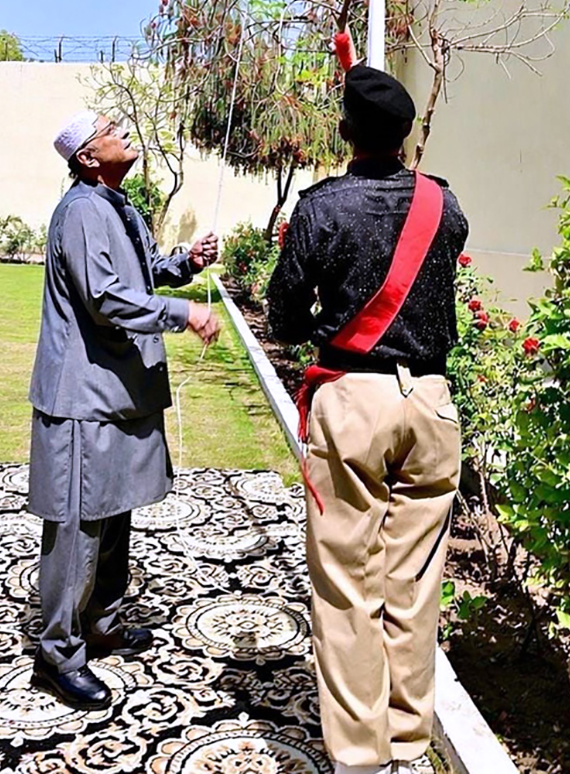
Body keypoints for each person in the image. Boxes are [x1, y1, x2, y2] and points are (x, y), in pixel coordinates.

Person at [267, 65, 468, 774]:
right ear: (407, 134)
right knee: (413, 583)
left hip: (353, 400)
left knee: (348, 583)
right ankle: (410, 743)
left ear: (346, 130)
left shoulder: (321, 208)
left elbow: (285, 319)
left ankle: (361, 757)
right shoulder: (444, 206)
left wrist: (330, 318)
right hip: (432, 403)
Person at [28, 110, 220, 711]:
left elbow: (138, 272)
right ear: (87, 157)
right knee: (78, 529)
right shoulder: (83, 210)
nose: (125, 133)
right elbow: (107, 296)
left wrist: (185, 264)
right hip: (84, 396)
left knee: (114, 518)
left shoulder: (119, 206)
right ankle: (57, 655)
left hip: (119, 393)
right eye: (112, 129)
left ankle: (102, 624)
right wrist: (181, 312)